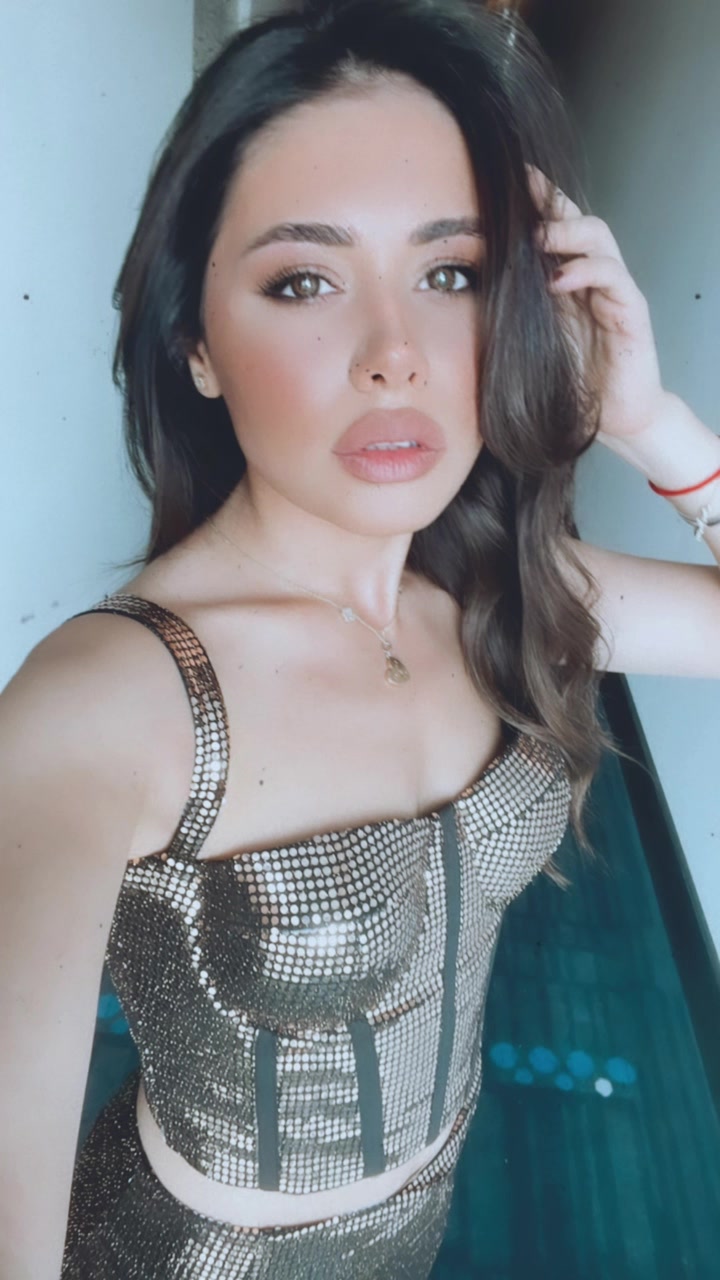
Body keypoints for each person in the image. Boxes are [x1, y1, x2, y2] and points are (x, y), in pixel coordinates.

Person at [2, 0, 719, 1276]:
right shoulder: (110, 701)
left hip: (416, 1227)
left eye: (452, 274)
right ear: (196, 344)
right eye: (303, 281)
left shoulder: (510, 588)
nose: (397, 356)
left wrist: (654, 421)